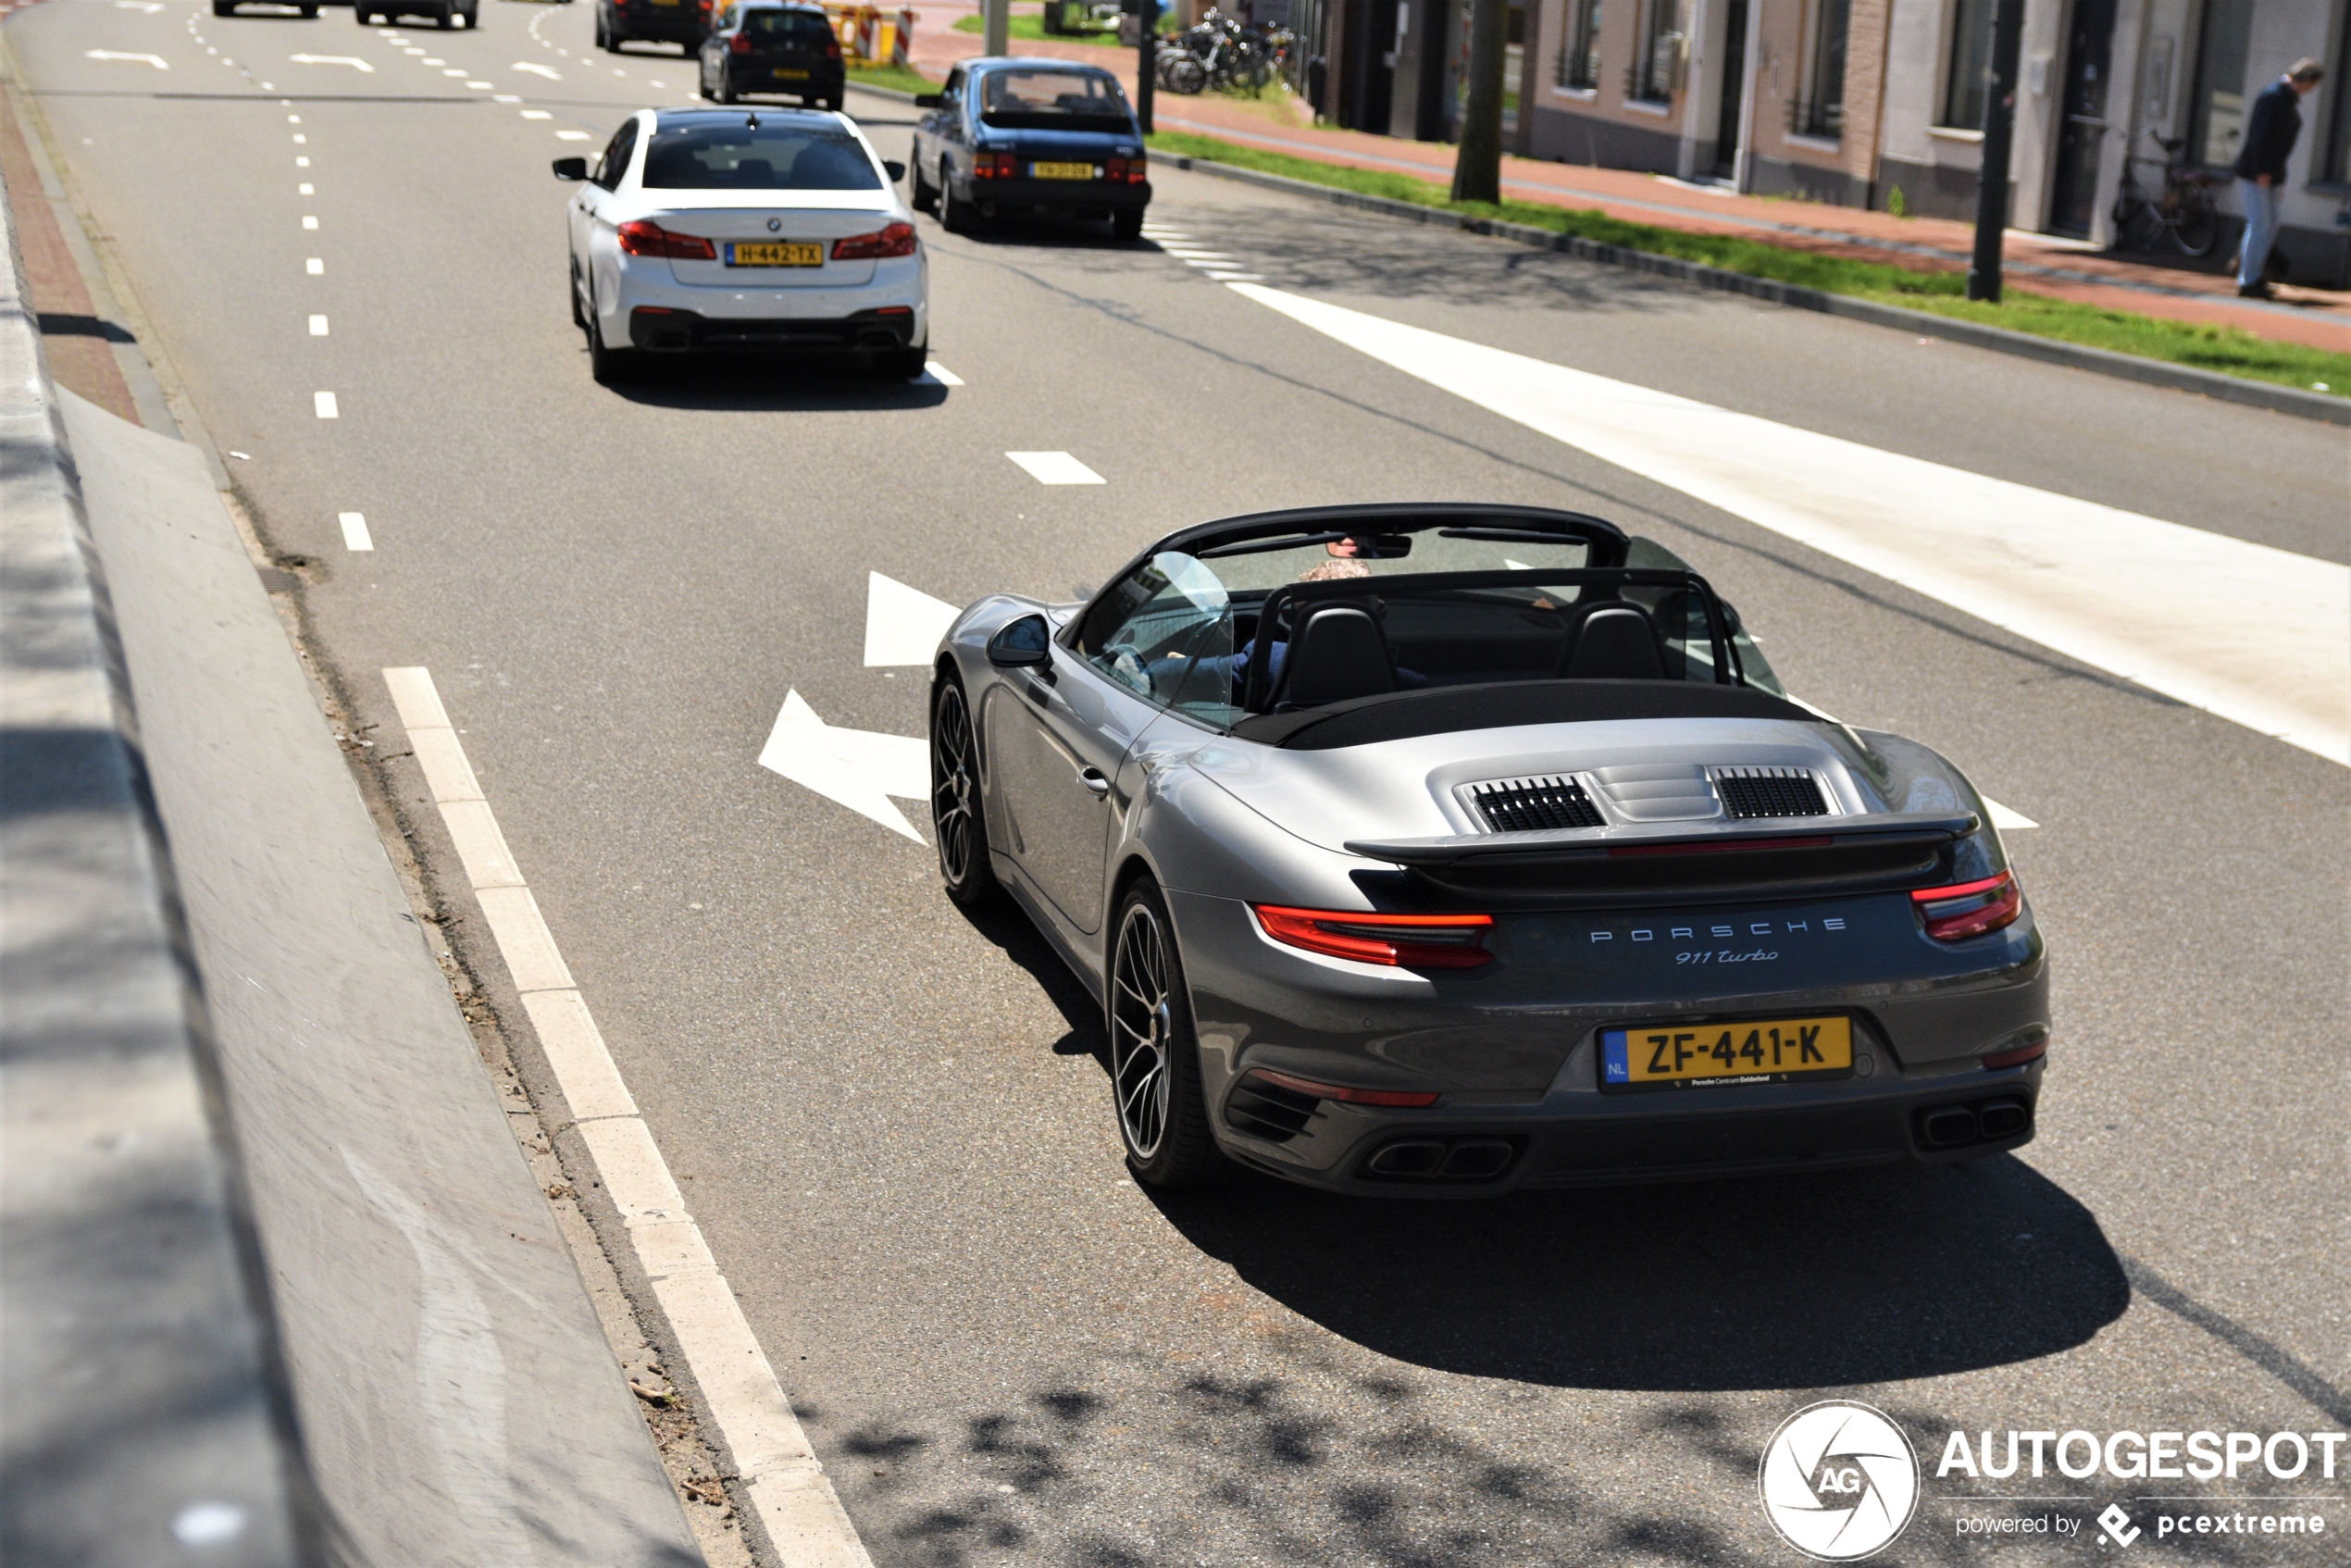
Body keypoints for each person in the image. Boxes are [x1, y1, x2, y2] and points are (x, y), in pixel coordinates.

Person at [2233, 58, 2327, 299]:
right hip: (2258, 172)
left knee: (2271, 223)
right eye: (2312, 85)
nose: (2310, 90)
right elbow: (2259, 136)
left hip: (2273, 173)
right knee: (2259, 224)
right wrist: (2262, 171)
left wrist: (2278, 177)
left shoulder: (2287, 98)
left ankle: (2255, 274)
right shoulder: (2273, 96)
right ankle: (2248, 280)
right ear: (2305, 80)